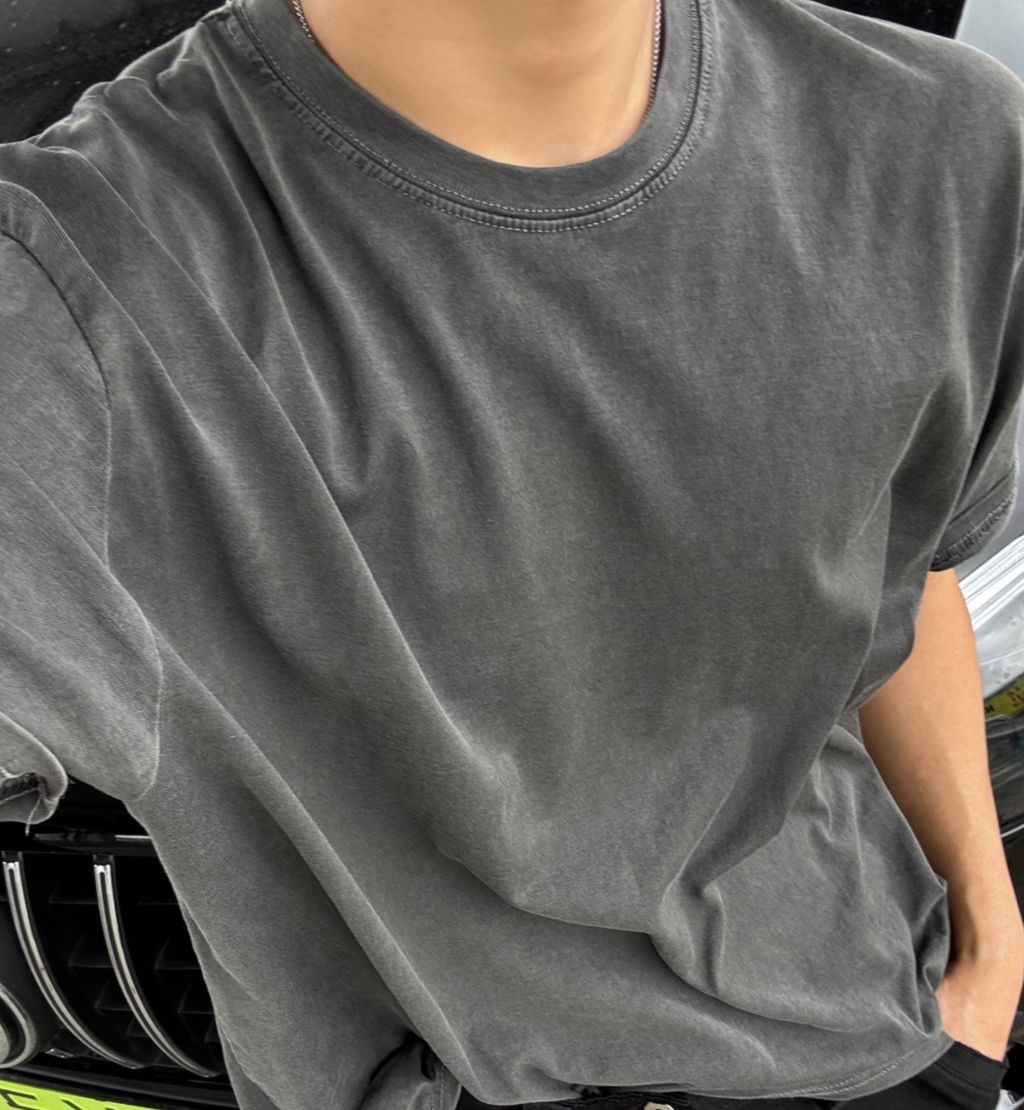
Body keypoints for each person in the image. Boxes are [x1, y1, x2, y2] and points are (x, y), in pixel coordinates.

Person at [1, 0, 1023, 1108]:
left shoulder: (940, 143)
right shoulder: (63, 292)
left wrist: (986, 948)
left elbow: (911, 560)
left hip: (886, 1041)